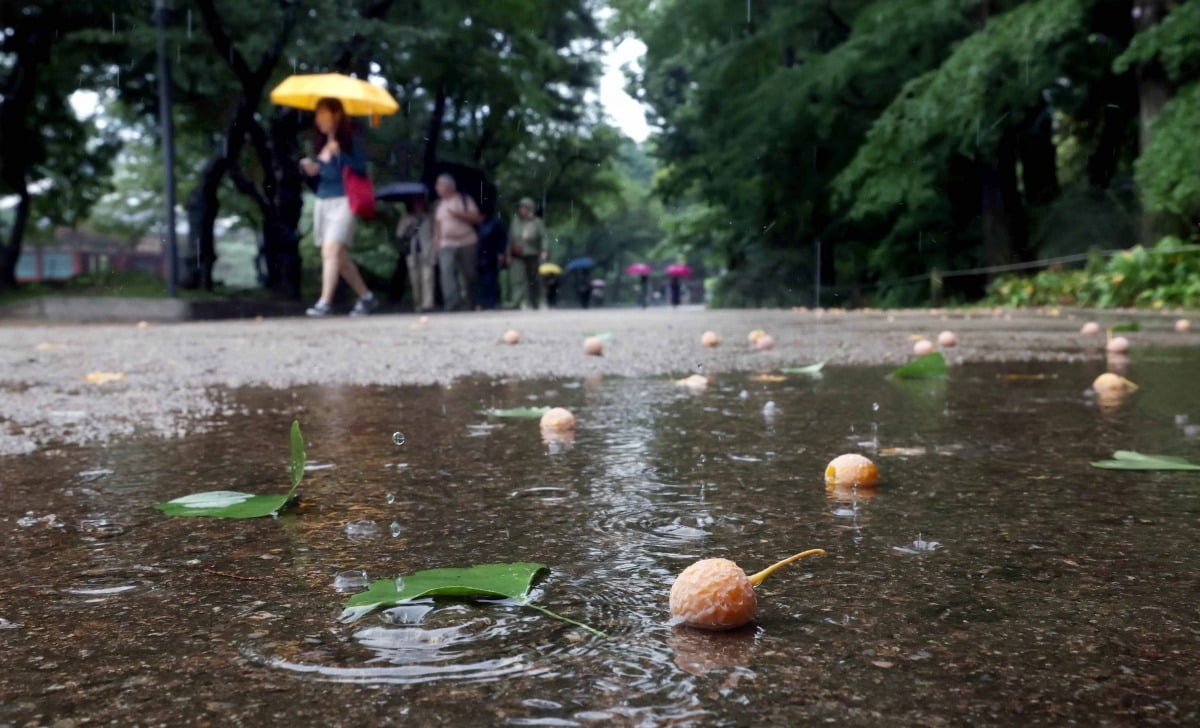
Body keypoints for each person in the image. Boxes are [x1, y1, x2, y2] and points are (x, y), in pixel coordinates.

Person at [299, 97, 378, 317]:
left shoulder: (351, 138)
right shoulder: (321, 141)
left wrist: (339, 153)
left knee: (331, 250)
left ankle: (324, 302)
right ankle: (366, 297)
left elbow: (362, 168)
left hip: (345, 200)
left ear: (336, 115)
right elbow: (326, 173)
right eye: (317, 115)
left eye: (322, 113)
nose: (318, 119)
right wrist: (314, 169)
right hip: (324, 199)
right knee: (339, 256)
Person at [433, 174, 483, 311]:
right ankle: (452, 303)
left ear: (449, 186)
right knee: (446, 272)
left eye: (439, 185)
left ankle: (471, 302)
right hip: (446, 243)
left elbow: (477, 218)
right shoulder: (439, 204)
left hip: (467, 241)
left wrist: (458, 214)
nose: (436, 188)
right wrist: (436, 242)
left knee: (469, 274)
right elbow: (437, 224)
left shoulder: (464, 200)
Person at [507, 197, 547, 309]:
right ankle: (521, 302)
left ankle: (541, 301)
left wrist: (544, 250)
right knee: (518, 279)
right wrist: (508, 254)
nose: (522, 210)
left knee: (535, 280)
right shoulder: (515, 222)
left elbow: (543, 237)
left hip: (532, 254)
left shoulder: (537, 222)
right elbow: (510, 239)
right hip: (518, 254)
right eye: (520, 207)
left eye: (524, 207)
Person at [396, 197, 435, 312]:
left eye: (420, 202)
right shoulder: (406, 218)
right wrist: (406, 225)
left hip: (426, 250)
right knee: (414, 279)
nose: (418, 205)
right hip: (411, 252)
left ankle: (427, 304)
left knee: (428, 277)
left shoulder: (429, 217)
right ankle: (417, 304)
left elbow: (435, 233)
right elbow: (399, 234)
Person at [476, 214, 507, 310]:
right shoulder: (476, 224)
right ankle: (483, 302)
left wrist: (501, 252)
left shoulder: (495, 223)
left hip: (491, 255)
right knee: (482, 281)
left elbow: (501, 239)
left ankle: (489, 302)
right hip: (480, 256)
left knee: (490, 280)